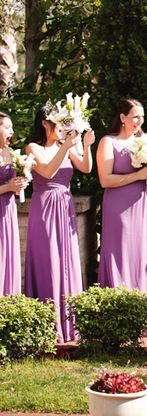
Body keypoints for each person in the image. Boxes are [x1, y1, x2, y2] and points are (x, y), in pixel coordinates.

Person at [24, 106, 94, 342]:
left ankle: (70, 323)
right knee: (49, 260)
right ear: (45, 123)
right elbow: (47, 172)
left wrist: (86, 145)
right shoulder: (33, 148)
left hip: (65, 207)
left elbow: (85, 168)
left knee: (67, 259)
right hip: (44, 208)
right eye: (59, 123)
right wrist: (65, 146)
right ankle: (49, 325)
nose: (64, 127)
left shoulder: (65, 146)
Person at [96, 99, 147, 330]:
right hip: (119, 208)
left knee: (142, 254)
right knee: (122, 254)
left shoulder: (145, 141)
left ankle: (146, 314)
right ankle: (119, 315)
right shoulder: (108, 142)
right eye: (135, 116)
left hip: (143, 206)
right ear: (122, 117)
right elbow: (105, 179)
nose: (139, 121)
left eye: (142, 117)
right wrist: (138, 176)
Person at [0, 112, 28, 295]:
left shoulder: (9, 152)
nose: (12, 130)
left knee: (8, 254)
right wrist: (7, 186)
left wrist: (19, 186)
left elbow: (12, 182)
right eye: (7, 127)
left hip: (8, 209)